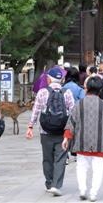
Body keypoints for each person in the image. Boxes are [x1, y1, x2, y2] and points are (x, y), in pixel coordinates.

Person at [62, 76, 103, 202]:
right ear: (100, 90)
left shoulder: (79, 104)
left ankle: (82, 190)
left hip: (82, 143)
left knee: (81, 167)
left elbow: (71, 123)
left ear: (86, 88)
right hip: (100, 144)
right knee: (98, 170)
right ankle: (93, 193)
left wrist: (66, 138)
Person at [26, 66, 75, 196]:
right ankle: (56, 185)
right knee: (60, 158)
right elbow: (73, 112)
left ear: (49, 79)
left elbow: (36, 110)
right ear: (61, 80)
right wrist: (72, 129)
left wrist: (30, 126)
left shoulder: (42, 92)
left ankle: (49, 183)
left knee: (47, 158)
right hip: (62, 131)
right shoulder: (67, 92)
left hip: (45, 132)